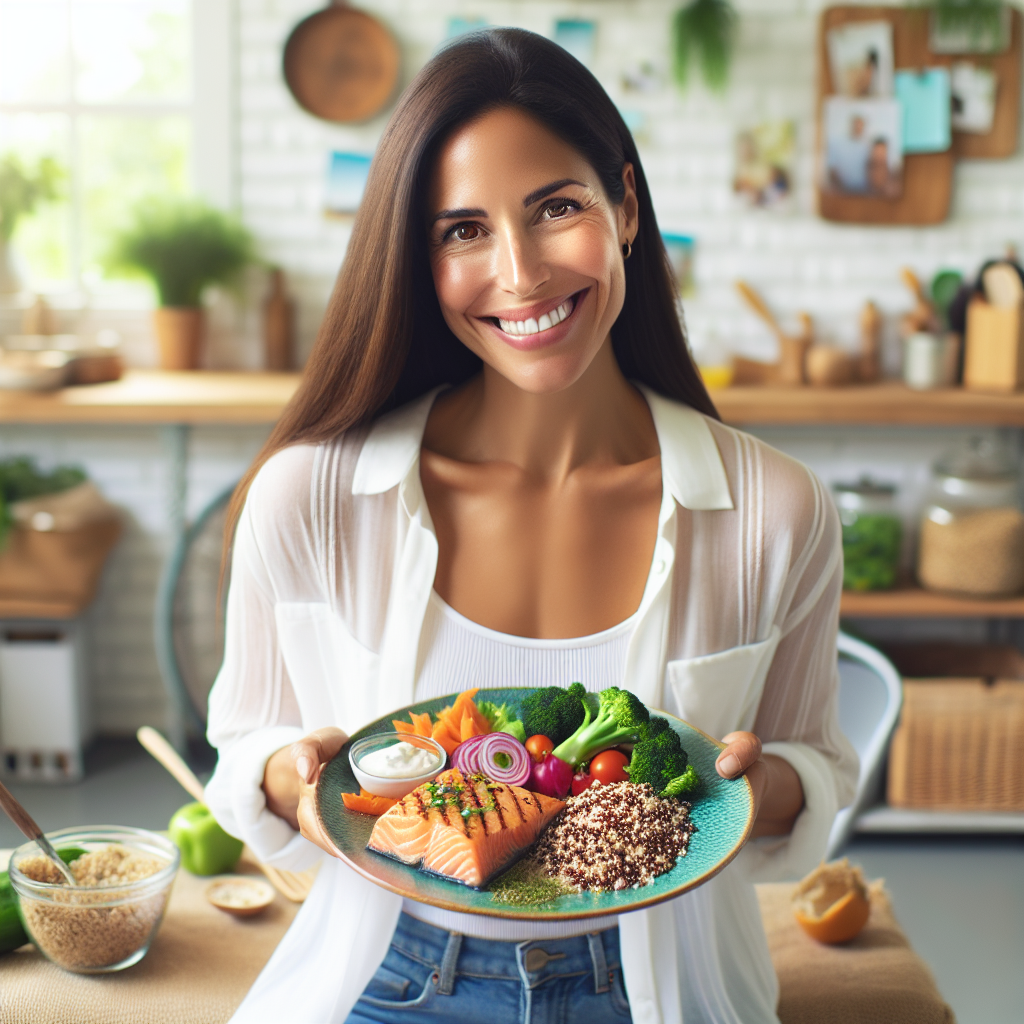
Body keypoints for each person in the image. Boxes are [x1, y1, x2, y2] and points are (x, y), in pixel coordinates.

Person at [205, 28, 857, 1024]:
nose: (519, 273)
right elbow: (248, 742)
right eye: (461, 230)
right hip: (386, 973)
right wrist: (292, 777)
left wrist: (745, 784)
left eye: (554, 208)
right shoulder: (309, 497)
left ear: (625, 207)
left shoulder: (777, 512)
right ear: (416, 260)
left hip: (655, 985)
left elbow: (814, 764)